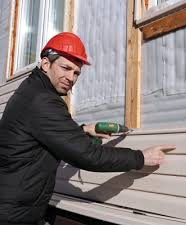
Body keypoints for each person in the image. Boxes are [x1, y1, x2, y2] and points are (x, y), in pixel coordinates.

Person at [0, 32, 176, 225]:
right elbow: (88, 155)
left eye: (76, 73)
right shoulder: (43, 101)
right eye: (65, 68)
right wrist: (140, 157)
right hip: (14, 214)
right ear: (45, 63)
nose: (71, 77)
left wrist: (83, 130)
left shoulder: (33, 90)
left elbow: (46, 133)